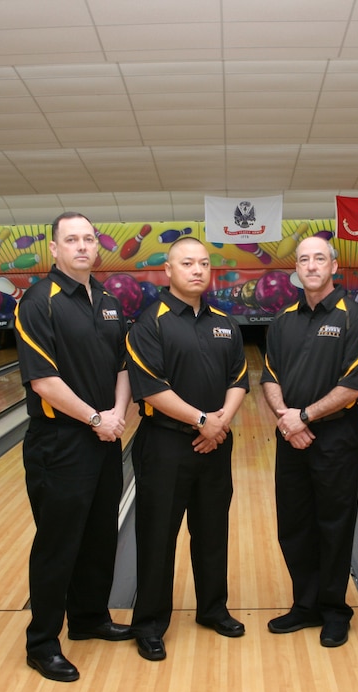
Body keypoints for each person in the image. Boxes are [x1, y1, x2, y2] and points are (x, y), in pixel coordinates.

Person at [12, 211, 134, 682]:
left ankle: (89, 618)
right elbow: (43, 380)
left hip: (104, 436)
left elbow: (123, 364)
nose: (82, 246)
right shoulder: (37, 302)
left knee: (101, 536)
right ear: (55, 249)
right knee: (57, 545)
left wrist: (116, 415)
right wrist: (94, 418)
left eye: (88, 239)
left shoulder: (107, 299)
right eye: (72, 239)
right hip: (60, 442)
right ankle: (42, 643)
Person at [124, 236, 250, 662]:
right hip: (165, 445)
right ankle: (150, 623)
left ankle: (213, 609)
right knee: (158, 537)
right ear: (168, 271)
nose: (197, 270)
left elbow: (239, 379)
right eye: (187, 263)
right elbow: (151, 388)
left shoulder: (225, 322)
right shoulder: (150, 322)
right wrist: (203, 421)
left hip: (215, 444)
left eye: (203, 263)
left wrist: (221, 423)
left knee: (212, 532)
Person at [261, 235, 358, 648]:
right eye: (304, 259)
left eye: (319, 259)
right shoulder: (284, 319)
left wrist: (303, 416)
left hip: (335, 437)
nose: (311, 265)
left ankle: (333, 609)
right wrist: (288, 420)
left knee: (333, 525)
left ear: (333, 266)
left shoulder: (353, 317)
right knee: (294, 525)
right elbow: (270, 376)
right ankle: (304, 605)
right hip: (290, 436)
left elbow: (354, 384)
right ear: (297, 267)